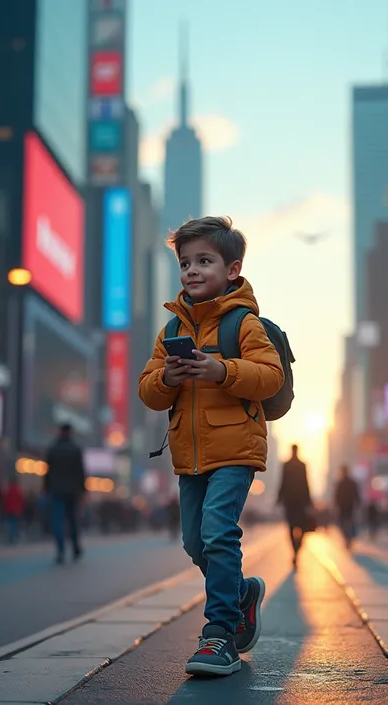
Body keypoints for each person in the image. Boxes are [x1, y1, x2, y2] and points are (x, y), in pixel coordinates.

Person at [139, 216, 284, 677]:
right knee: (195, 542)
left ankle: (219, 633)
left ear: (233, 269)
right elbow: (147, 389)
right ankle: (241, 593)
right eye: (185, 263)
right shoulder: (170, 331)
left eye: (205, 260)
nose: (193, 271)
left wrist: (222, 371)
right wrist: (168, 377)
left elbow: (270, 375)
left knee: (219, 532)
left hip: (236, 450)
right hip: (189, 456)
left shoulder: (243, 323)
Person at [44, 423, 86, 564]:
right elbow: (81, 472)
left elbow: (47, 473)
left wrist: (46, 488)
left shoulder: (53, 449)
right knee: (73, 521)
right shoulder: (75, 449)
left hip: (56, 491)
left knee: (58, 521)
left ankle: (60, 551)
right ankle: (75, 548)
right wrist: (83, 490)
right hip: (73, 491)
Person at [277, 444, 314, 568]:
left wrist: (279, 498)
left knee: (293, 528)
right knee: (298, 527)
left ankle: (295, 550)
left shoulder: (289, 465)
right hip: (298, 502)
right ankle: (296, 550)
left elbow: (283, 482)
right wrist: (309, 501)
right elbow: (305, 483)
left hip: (292, 502)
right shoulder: (299, 465)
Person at [334, 465, 360, 549]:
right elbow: (357, 494)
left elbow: (336, 496)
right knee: (348, 522)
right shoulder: (350, 483)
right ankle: (348, 538)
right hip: (348, 506)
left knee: (345, 522)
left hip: (345, 506)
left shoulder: (341, 483)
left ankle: (348, 537)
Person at [3, 478, 25, 544]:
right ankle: (14, 536)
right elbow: (21, 500)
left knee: (10, 524)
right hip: (16, 510)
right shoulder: (18, 490)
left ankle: (10, 536)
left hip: (9, 510)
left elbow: (6, 501)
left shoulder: (8, 491)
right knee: (15, 524)